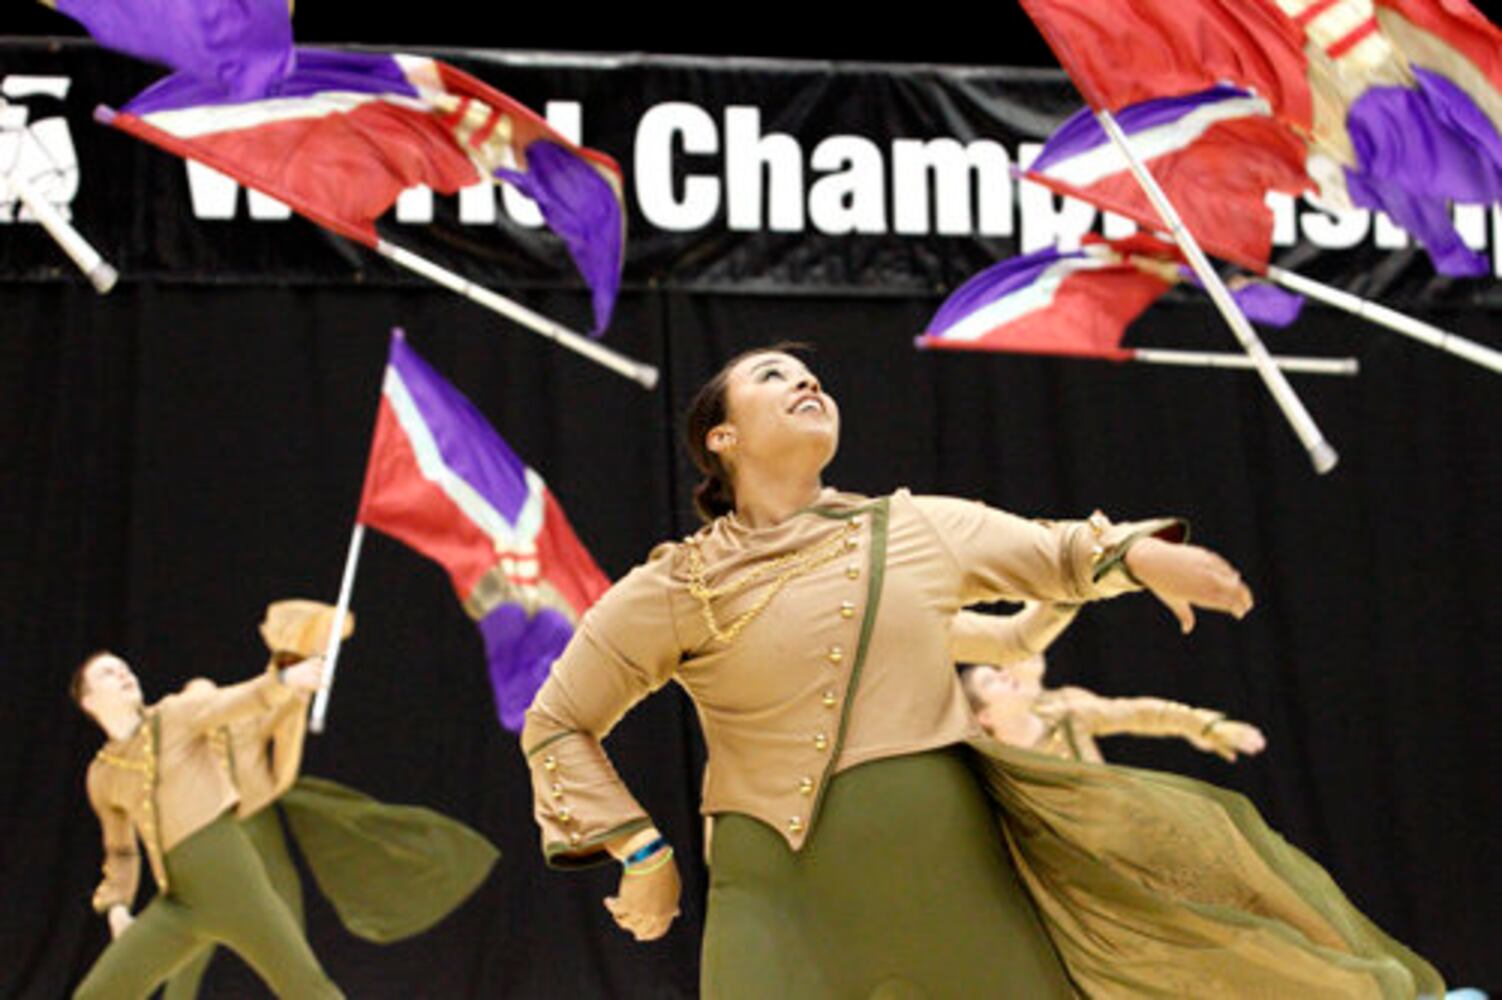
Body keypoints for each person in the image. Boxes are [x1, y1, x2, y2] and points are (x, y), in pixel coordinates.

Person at [520, 345, 1442, 997]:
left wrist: (1142, 557)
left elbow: (1055, 549)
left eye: (812, 376)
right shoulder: (675, 583)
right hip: (778, 899)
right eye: (772, 375)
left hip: (952, 874)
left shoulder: (911, 528)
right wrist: (641, 853)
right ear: (720, 439)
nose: (805, 380)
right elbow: (558, 720)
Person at [161, 600, 500, 1000]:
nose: (204, 702)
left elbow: (281, 697)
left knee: (287, 928)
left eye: (210, 695)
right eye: (193, 698)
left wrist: (308, 658)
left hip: (257, 823)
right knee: (196, 935)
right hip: (212, 834)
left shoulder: (246, 721)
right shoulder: (175, 742)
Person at [71, 648, 342, 999]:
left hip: (234, 883)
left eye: (125, 667)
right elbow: (120, 850)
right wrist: (118, 908)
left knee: (306, 987)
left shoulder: (173, 715)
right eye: (109, 673)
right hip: (180, 903)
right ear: (89, 700)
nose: (125, 673)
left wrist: (286, 679)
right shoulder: (102, 774)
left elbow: (234, 701)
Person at [955, 604, 1267, 763]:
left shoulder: (1065, 711)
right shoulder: (992, 766)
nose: (1004, 674)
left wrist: (1200, 725)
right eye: (991, 680)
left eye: (999, 669)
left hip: (1120, 844)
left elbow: (1137, 713)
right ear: (983, 716)